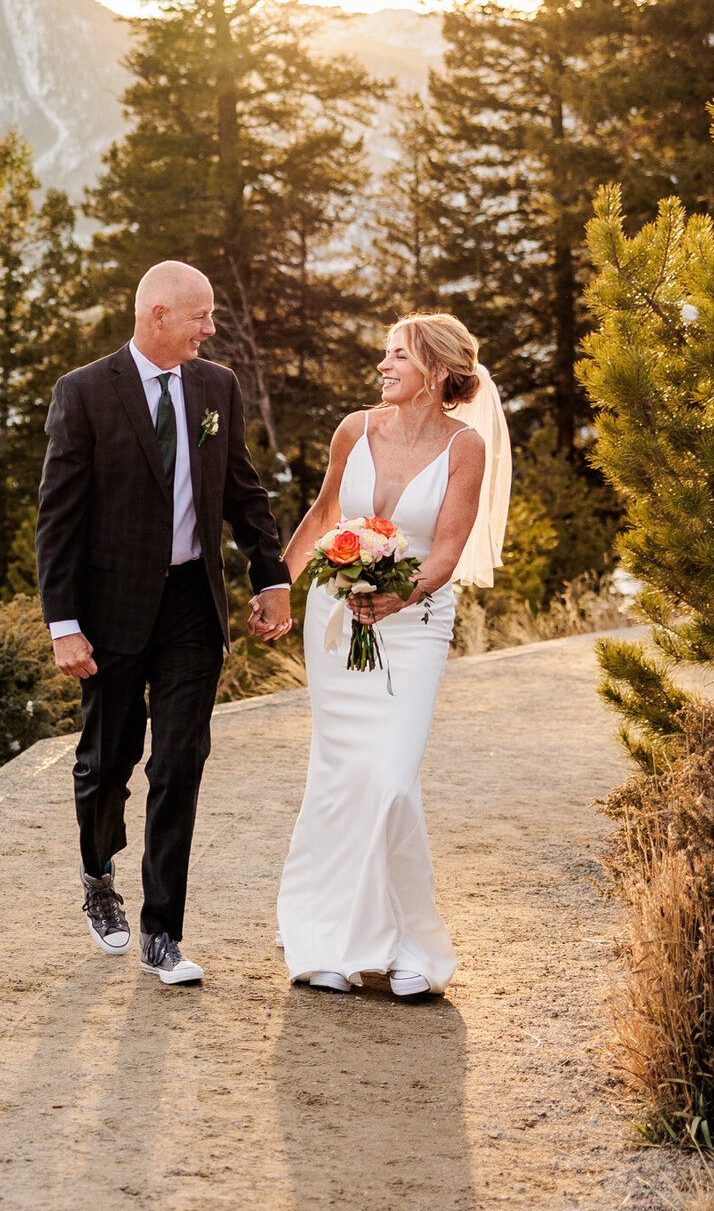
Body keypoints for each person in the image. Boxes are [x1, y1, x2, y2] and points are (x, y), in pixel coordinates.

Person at [36, 260, 292, 986]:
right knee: (104, 765)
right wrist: (64, 623)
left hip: (191, 607)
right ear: (156, 316)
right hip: (110, 612)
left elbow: (242, 487)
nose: (210, 330)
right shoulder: (84, 392)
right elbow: (58, 520)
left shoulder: (217, 387)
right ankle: (96, 874)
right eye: (199, 316)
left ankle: (162, 934)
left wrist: (270, 576)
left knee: (180, 763)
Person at [263, 312, 510, 996]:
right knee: (341, 774)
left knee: (394, 779)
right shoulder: (355, 430)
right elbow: (321, 515)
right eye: (384, 355)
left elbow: (450, 550)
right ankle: (329, 943)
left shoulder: (465, 449)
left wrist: (399, 599)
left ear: (435, 371)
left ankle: (411, 949)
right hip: (338, 619)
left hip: (417, 621)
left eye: (397, 356)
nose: (382, 366)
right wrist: (278, 587)